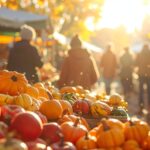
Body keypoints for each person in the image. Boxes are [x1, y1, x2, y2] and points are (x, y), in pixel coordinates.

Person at [135, 44, 150, 112]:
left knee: (141, 91)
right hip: (149, 74)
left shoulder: (139, 54)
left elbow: (136, 63)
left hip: (141, 74)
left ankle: (141, 107)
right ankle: (149, 107)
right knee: (149, 91)